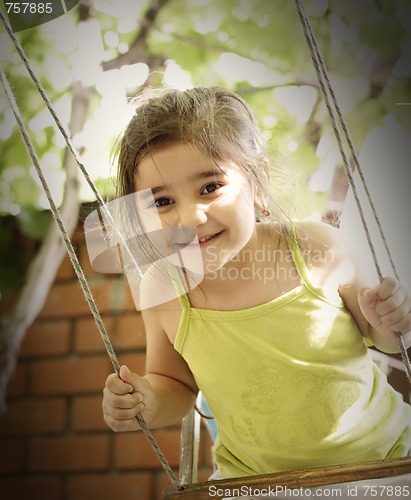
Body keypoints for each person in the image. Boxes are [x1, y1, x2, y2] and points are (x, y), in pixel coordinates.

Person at [102, 86, 411, 479]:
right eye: (162, 201)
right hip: (252, 481)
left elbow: (384, 337)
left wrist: (392, 317)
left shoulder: (314, 247)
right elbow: (174, 384)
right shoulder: (163, 288)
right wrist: (145, 399)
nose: (190, 217)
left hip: (384, 462)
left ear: (257, 182)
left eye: (210, 187)